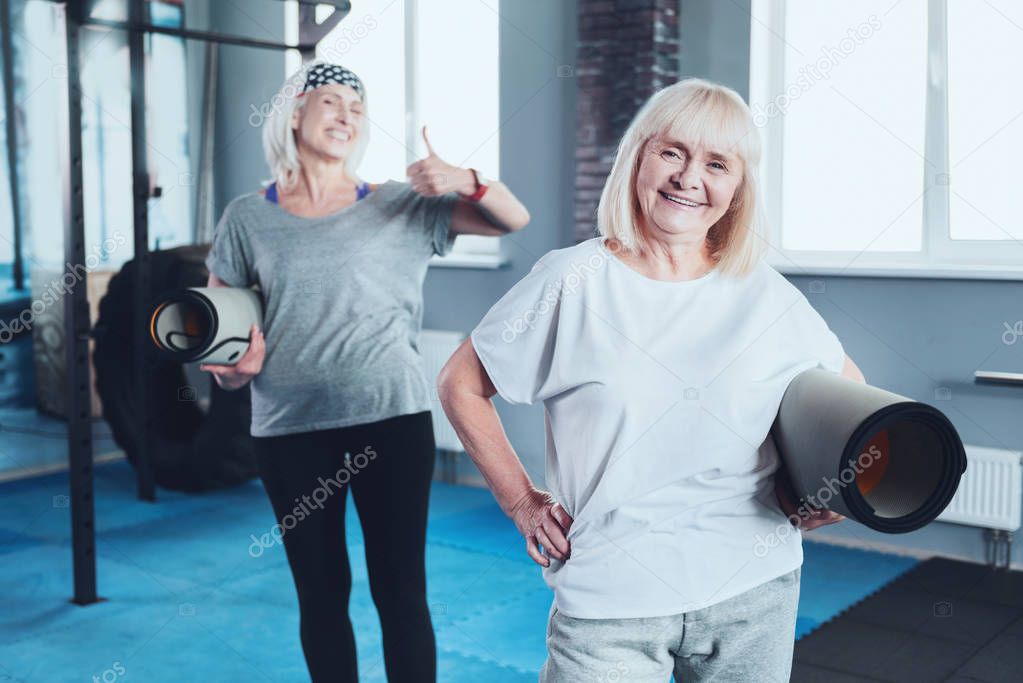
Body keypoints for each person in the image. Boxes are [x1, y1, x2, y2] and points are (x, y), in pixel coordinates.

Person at [437, 78, 867, 682]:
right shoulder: (572, 279)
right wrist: (522, 502)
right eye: (672, 152)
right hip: (610, 604)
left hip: (753, 593)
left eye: (717, 163)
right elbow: (461, 383)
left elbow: (850, 398)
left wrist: (835, 491)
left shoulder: (766, 294)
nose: (689, 178)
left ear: (738, 186)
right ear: (638, 158)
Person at [199, 61, 530, 683]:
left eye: (357, 105)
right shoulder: (247, 217)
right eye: (330, 101)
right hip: (289, 430)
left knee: (400, 593)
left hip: (391, 423)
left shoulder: (403, 204)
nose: (347, 114)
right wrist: (234, 375)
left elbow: (513, 219)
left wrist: (465, 177)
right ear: (294, 113)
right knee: (320, 597)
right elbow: (224, 344)